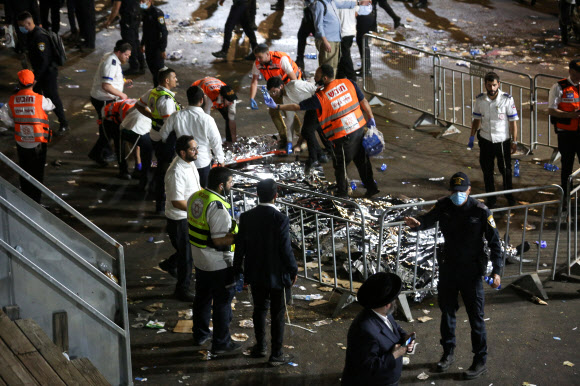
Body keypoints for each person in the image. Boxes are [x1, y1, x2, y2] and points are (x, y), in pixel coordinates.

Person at [403, 172, 502, 380]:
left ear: (469, 190)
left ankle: (479, 360)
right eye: (454, 191)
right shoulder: (444, 205)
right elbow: (427, 220)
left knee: (476, 319)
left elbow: (495, 243)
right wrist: (417, 223)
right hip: (449, 268)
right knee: (447, 314)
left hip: (472, 272)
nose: (458, 195)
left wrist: (497, 271)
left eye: (462, 191)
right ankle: (447, 354)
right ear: (450, 192)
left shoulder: (481, 211)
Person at [270, 64, 379, 198]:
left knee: (340, 166)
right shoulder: (348, 83)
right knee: (362, 162)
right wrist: (371, 118)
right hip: (359, 129)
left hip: (343, 136)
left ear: (325, 78)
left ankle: (343, 195)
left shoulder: (321, 97)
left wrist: (278, 106)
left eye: (317, 76)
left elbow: (297, 106)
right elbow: (364, 101)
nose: (315, 78)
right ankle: (371, 188)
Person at [233, 179, 298, 366]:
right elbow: (286, 250)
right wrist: (293, 270)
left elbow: (240, 247)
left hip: (256, 274)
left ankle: (260, 346)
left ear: (256, 195)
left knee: (259, 310)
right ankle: (276, 354)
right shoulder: (281, 219)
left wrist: (238, 269)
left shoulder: (246, 217)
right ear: (276, 196)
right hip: (278, 276)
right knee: (278, 314)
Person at [188, 167, 240, 355]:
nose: (231, 186)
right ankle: (221, 343)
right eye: (230, 183)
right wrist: (240, 238)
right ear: (221, 185)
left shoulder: (196, 197)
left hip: (200, 259)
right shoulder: (217, 207)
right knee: (222, 303)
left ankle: (200, 334)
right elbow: (219, 240)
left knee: (202, 297)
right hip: (218, 264)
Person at [342, 272, 415, 385]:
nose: (395, 301)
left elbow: (394, 328)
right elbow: (369, 368)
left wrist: (405, 337)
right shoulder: (364, 330)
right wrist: (395, 354)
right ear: (387, 304)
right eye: (395, 299)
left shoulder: (382, 313)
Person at [159, 135, 202, 302]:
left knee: (187, 251)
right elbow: (177, 201)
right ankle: (182, 290)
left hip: (189, 216)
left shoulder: (189, 164)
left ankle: (170, 264)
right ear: (183, 153)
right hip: (180, 219)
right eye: (193, 149)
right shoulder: (176, 172)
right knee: (187, 257)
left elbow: (195, 188)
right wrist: (199, 211)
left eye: (196, 148)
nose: (197, 151)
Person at [1, 70, 54, 203]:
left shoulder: (12, 100)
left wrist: (14, 123)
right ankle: (36, 201)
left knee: (24, 171)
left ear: (19, 83)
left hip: (21, 142)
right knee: (37, 174)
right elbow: (51, 105)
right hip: (37, 143)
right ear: (34, 82)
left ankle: (26, 199)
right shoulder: (39, 99)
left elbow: (3, 116)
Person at [468, 72, 519, 209]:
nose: (491, 88)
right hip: (485, 140)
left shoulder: (507, 99)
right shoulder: (480, 100)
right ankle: (491, 198)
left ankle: (509, 196)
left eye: (494, 85)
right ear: (485, 85)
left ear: (499, 84)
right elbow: (476, 120)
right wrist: (472, 137)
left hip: (502, 141)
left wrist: (514, 141)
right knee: (487, 171)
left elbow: (513, 122)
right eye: (489, 85)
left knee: (506, 171)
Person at [160, 85, 225, 188]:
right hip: (202, 162)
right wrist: (221, 160)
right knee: (202, 194)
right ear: (201, 100)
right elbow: (215, 141)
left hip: (183, 162)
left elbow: (163, 135)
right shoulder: (207, 119)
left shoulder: (176, 116)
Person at [136, 67, 180, 213]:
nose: (176, 80)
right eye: (174, 77)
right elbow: (169, 124)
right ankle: (161, 203)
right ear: (167, 81)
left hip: (154, 134)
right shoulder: (166, 100)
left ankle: (158, 198)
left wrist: (153, 117)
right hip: (164, 139)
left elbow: (139, 105)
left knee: (162, 167)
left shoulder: (153, 92)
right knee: (164, 170)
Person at [17, 12, 69, 135]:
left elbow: (44, 61)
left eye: (21, 25)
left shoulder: (40, 37)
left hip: (47, 73)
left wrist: (35, 78)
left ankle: (64, 123)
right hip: (39, 73)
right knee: (35, 97)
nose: (20, 28)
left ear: (28, 23)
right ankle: (38, 122)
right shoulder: (32, 34)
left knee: (52, 97)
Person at [266, 76, 328, 172]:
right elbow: (290, 121)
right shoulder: (286, 100)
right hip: (311, 108)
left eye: (275, 91)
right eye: (271, 93)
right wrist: (290, 142)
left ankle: (316, 158)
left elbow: (314, 89)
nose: (274, 95)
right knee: (310, 130)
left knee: (308, 130)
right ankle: (322, 154)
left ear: (281, 86)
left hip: (319, 102)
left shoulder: (295, 85)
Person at [88, 40, 133, 166]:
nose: (127, 58)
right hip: (104, 99)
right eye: (126, 55)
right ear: (119, 52)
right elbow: (106, 86)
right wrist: (121, 94)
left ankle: (103, 152)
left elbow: (110, 78)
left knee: (107, 127)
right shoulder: (111, 63)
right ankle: (97, 153)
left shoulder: (111, 57)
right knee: (108, 129)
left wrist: (122, 82)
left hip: (104, 98)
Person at [249, 44, 303, 149]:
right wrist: (252, 97)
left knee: (289, 112)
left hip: (289, 85)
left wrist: (292, 95)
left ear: (267, 54)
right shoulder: (257, 63)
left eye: (260, 57)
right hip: (275, 87)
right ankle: (284, 138)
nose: (258, 59)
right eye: (256, 57)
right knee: (273, 111)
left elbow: (294, 79)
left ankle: (302, 137)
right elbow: (254, 81)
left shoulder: (281, 59)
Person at [548, 58, 580, 203]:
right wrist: (570, 115)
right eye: (576, 73)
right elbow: (551, 110)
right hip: (566, 133)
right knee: (567, 165)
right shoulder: (559, 87)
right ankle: (566, 196)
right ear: (570, 71)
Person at [311, 0, 360, 75]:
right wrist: (325, 41)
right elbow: (318, 25)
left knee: (333, 67)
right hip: (328, 41)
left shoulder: (332, 2)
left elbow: (344, 4)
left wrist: (360, 3)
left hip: (336, 39)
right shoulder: (320, 4)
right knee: (327, 68)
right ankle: (325, 86)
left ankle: (331, 86)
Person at [104, 0, 146, 75]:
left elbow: (116, 8)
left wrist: (109, 21)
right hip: (136, 15)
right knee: (135, 41)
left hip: (128, 18)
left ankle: (134, 66)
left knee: (129, 42)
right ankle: (141, 64)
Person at [192, 77, 239, 143]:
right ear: (222, 98)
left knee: (229, 117)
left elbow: (232, 119)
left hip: (216, 89)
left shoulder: (231, 99)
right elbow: (206, 117)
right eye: (229, 101)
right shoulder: (210, 96)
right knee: (200, 116)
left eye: (232, 101)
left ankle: (229, 141)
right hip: (202, 88)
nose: (231, 103)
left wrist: (234, 141)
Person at [100, 98, 138, 179]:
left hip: (123, 115)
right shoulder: (132, 116)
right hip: (111, 119)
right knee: (120, 145)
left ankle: (138, 169)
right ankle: (123, 171)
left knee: (137, 144)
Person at [140, 0, 168, 87]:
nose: (141, 3)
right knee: (152, 69)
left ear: (150, 1)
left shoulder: (157, 13)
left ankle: (162, 91)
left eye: (143, 1)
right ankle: (156, 89)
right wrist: (142, 43)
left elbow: (164, 32)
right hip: (149, 45)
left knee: (159, 72)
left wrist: (163, 49)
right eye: (140, 1)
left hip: (157, 47)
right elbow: (145, 30)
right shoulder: (144, 12)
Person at [335, 5, 357, 81]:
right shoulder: (352, 1)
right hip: (351, 31)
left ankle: (352, 77)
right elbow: (356, 13)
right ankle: (340, 76)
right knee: (342, 55)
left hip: (343, 32)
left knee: (345, 55)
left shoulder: (337, 3)